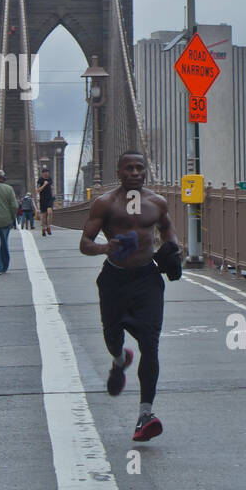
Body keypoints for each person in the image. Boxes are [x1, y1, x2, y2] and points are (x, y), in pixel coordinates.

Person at [79, 150, 181, 442]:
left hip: (147, 279)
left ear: (145, 171)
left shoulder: (157, 203)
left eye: (140, 168)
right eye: (129, 168)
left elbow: (168, 230)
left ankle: (145, 414)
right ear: (119, 172)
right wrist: (103, 248)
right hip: (113, 279)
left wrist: (174, 249)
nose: (135, 173)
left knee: (150, 344)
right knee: (113, 338)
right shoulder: (105, 203)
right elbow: (84, 243)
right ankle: (119, 358)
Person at [37, 167, 55, 236]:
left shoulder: (50, 179)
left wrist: (52, 190)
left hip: (49, 198)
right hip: (43, 199)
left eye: (47, 172)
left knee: (50, 212)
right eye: (45, 172)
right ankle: (43, 229)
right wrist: (44, 185)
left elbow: (51, 186)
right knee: (44, 215)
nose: (47, 174)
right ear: (43, 173)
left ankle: (49, 227)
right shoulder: (40, 180)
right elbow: (38, 190)